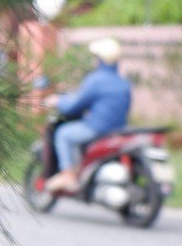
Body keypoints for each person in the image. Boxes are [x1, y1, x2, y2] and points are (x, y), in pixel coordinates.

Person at [44, 37, 131, 194]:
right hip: (117, 130)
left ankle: (68, 175)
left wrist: (57, 101)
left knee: (63, 134)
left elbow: (74, 106)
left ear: (100, 59)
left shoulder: (96, 80)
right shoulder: (123, 83)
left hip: (96, 129)